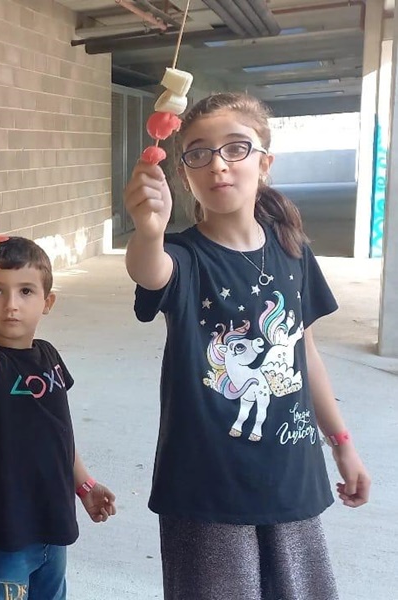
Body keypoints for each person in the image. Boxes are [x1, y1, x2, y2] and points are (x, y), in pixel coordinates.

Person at [124, 92, 371, 599]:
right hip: (207, 485)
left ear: (265, 163)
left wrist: (342, 444)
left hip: (290, 474)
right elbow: (150, 271)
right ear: (184, 174)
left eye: (236, 148)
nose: (218, 164)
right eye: (198, 153)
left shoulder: (293, 251)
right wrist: (148, 231)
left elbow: (306, 355)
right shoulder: (183, 255)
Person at [0, 236, 116, 600]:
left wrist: (85, 485)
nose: (11, 304)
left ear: (47, 302)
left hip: (52, 524)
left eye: (26, 291)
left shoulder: (49, 355)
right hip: (3, 531)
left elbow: (60, 434)